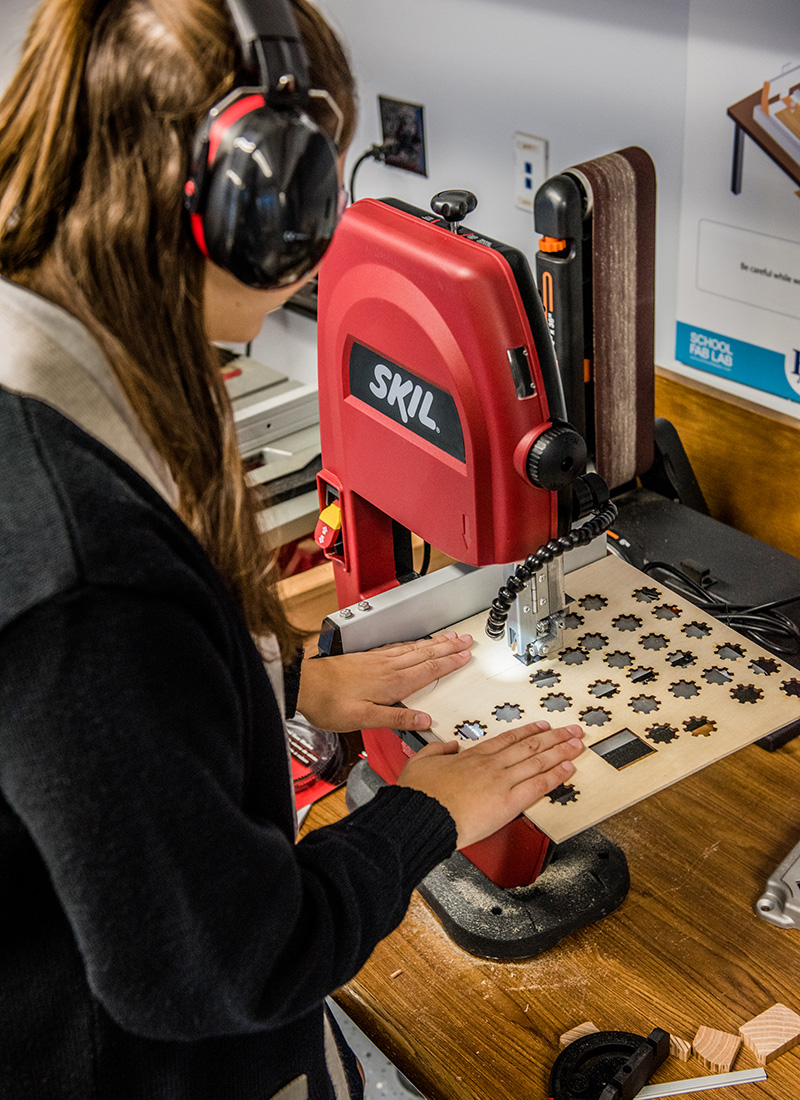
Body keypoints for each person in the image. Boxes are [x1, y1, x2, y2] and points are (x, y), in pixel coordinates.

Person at [0, 2, 585, 1098]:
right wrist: (432, 814)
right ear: (252, 205)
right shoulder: (84, 570)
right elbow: (231, 962)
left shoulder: (42, 374)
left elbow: (76, 741)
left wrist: (276, 685)